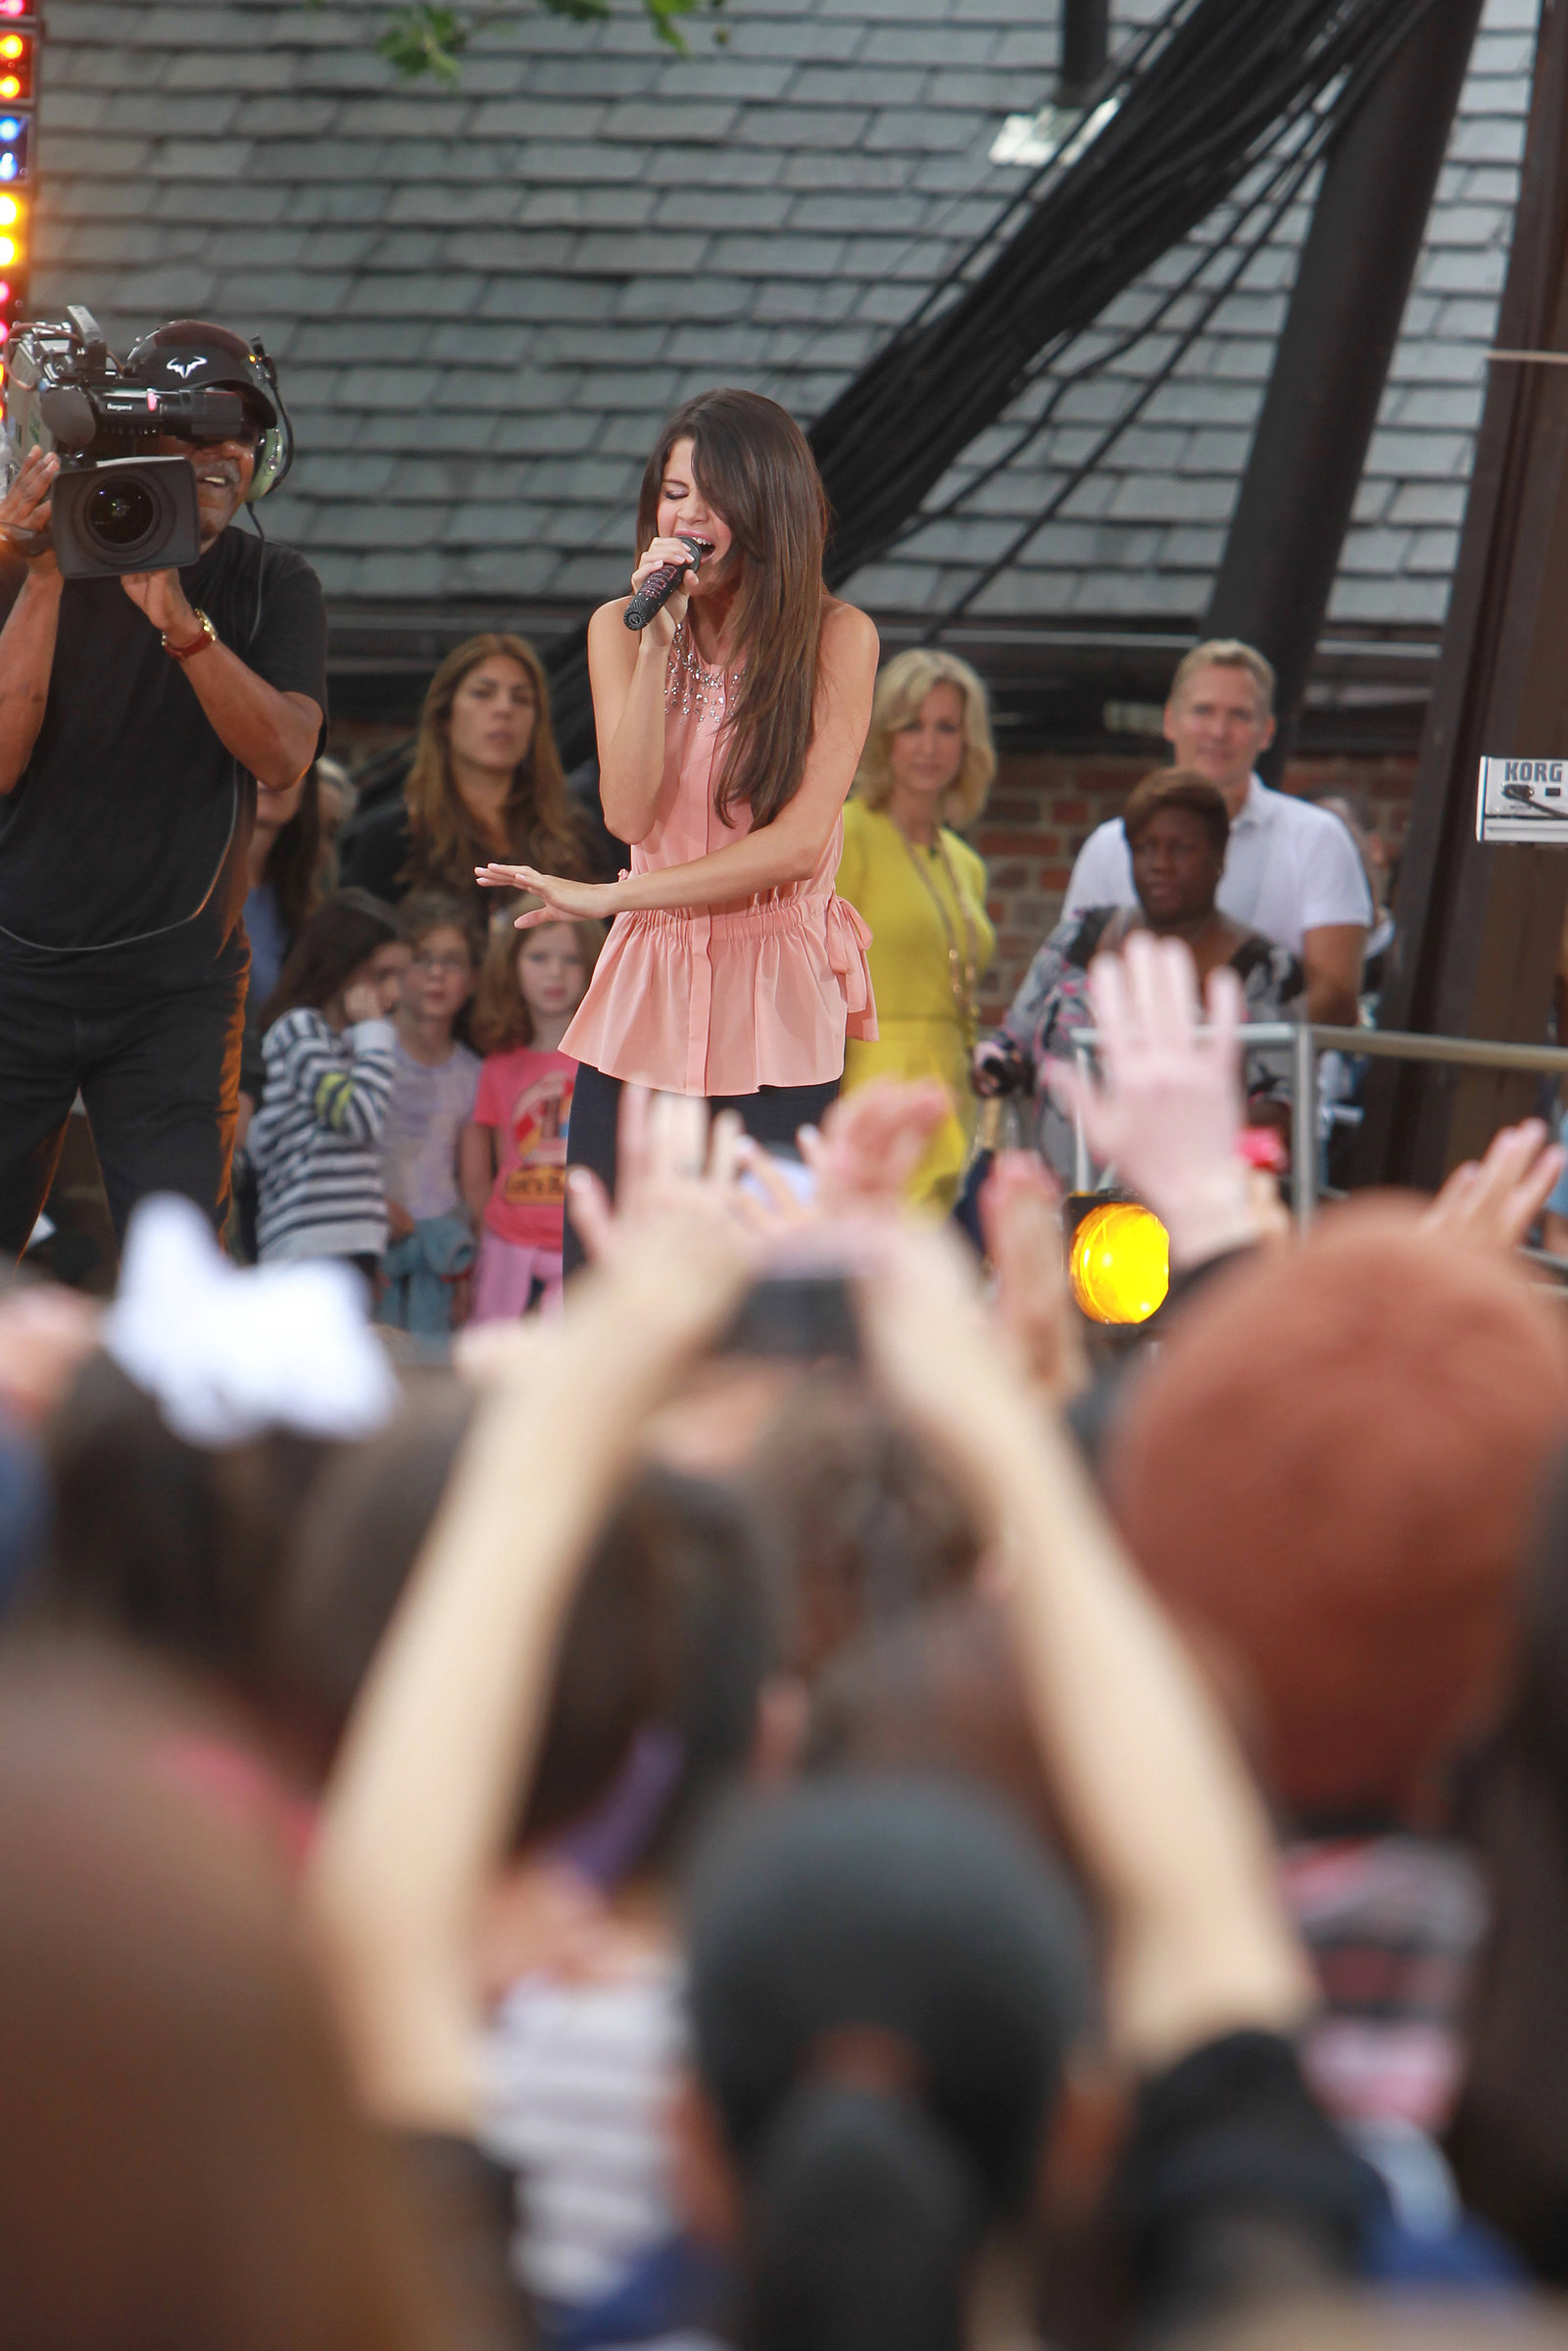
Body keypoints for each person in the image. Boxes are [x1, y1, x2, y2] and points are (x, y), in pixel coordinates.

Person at [470, 387, 880, 1273]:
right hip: (646, 1002)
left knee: (758, 1308)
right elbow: (627, 813)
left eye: (712, 493)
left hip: (773, 1004)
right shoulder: (622, 633)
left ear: (769, 505)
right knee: (613, 1290)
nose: (687, 514)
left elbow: (798, 844)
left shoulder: (836, 639)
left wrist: (615, 895)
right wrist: (657, 644)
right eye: (673, 491)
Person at [0, 318, 327, 1260]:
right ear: (137, 440)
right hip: (15, 973)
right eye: (195, 434)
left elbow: (285, 756)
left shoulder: (274, 583)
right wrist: (44, 579)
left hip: (172, 994)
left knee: (178, 1271)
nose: (222, 454)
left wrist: (186, 629)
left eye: (242, 436)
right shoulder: (30, 555)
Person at [978, 771, 1300, 1176]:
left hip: (1182, 1207)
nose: (1159, 865)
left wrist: (1212, 1158)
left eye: (1180, 849)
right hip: (1059, 1198)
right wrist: (995, 1065)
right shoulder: (1080, 936)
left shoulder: (1261, 968)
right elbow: (1014, 1042)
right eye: (1145, 849)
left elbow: (1282, 1102)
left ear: (1219, 855)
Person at [1061, 640, 1370, 1024]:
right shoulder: (1109, 847)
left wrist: (1220, 1045)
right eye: (1203, 710)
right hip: (1131, 1075)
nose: (1219, 731)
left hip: (1270, 1079)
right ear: (1170, 720)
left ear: (1267, 731)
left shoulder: (1319, 838)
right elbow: (1072, 978)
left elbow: (1337, 998)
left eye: (1239, 715)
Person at [833, 650, 997, 1213]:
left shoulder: (965, 862)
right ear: (884, 737)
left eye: (946, 728)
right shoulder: (847, 834)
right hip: (874, 1087)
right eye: (912, 727)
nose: (929, 746)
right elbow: (819, 977)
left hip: (955, 1088)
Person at [340, 632, 587, 922]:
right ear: (445, 715)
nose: (504, 709)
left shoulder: (577, 836)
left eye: (522, 698)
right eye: (483, 693)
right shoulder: (391, 839)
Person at [243, 892, 409, 1275]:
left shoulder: (348, 1041)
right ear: (341, 965)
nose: (394, 993)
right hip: (306, 1244)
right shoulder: (299, 1030)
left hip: (352, 1239)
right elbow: (358, 1116)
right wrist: (373, 1033)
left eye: (399, 977)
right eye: (381, 975)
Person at [462, 908, 603, 1321]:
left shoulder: (607, 1068)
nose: (555, 973)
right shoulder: (497, 1067)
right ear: (511, 967)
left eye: (572, 959)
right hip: (508, 1252)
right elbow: (481, 1172)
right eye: (538, 958)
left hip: (584, 1254)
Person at [376, 893, 481, 1339]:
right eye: (422, 959)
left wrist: (470, 1270)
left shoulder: (473, 1073)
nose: (436, 973)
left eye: (453, 961)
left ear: (473, 980)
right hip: (371, 1243)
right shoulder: (366, 1051)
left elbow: (473, 1184)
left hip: (440, 1257)